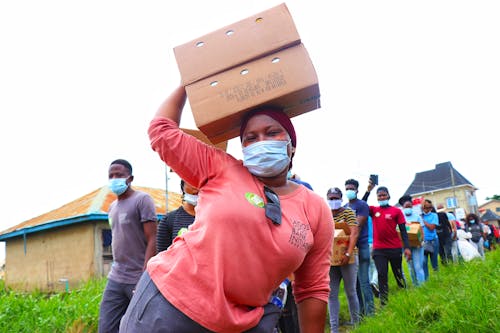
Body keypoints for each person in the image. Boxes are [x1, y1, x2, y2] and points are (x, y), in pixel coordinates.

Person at [120, 86, 334, 333]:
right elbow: (161, 131)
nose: (261, 142)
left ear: (292, 145)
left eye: (272, 132)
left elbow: (313, 288)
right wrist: (187, 83)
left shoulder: (314, 208)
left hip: (241, 324)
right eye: (250, 138)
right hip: (167, 307)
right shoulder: (221, 168)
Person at [98, 159, 158, 333]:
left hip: (137, 277)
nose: (114, 179)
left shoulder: (142, 200)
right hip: (116, 276)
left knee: (139, 327)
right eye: (111, 176)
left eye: (119, 175)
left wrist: (144, 277)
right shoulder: (112, 207)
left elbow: (152, 238)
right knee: (106, 327)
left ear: (130, 178)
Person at [369, 186, 411, 306]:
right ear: (377, 197)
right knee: (382, 274)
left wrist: (407, 247)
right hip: (379, 249)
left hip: (394, 248)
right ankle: (384, 302)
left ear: (388, 196)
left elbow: (403, 231)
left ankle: (405, 296)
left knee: (398, 273)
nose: (382, 197)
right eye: (379, 195)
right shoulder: (373, 210)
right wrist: (368, 190)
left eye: (384, 195)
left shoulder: (396, 211)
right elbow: (361, 204)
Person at [326, 187, 360, 333]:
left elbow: (354, 233)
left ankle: (357, 325)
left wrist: (348, 253)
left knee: (350, 291)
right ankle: (334, 329)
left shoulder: (348, 212)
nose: (333, 201)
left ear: (341, 198)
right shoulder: (325, 214)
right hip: (330, 259)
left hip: (348, 258)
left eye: (336, 198)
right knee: (331, 294)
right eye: (331, 198)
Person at [344, 178, 374, 317]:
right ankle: (360, 314)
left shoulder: (362, 205)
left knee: (364, 282)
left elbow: (357, 225)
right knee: (354, 285)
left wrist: (344, 227)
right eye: (347, 188)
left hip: (361, 247)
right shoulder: (344, 207)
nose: (349, 190)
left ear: (357, 190)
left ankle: (371, 313)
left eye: (351, 188)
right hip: (349, 248)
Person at [156, 179, 198, 253]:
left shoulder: (217, 219)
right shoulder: (169, 220)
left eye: (201, 182)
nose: (196, 188)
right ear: (182, 186)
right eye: (191, 182)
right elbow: (162, 258)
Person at [399, 196, 425, 286]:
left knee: (418, 266)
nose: (408, 208)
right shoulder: (399, 216)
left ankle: (422, 286)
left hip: (417, 245)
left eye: (410, 206)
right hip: (405, 246)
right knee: (411, 267)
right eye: (406, 207)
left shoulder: (417, 216)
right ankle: (415, 284)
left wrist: (421, 241)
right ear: (402, 207)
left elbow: (422, 231)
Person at [421, 200, 439, 280]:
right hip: (423, 242)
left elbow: (432, 228)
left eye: (429, 207)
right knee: (424, 261)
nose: (427, 209)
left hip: (433, 241)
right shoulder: (420, 216)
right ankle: (426, 279)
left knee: (434, 261)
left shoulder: (434, 215)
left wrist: (423, 221)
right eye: (425, 207)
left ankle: (437, 278)